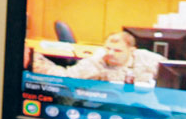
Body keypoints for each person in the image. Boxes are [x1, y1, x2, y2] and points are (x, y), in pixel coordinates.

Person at [30, 30, 164, 85]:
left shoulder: (149, 59)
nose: (110, 53)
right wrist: (34, 60)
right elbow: (66, 77)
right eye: (108, 48)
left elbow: (174, 72)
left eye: (117, 50)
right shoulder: (97, 60)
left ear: (131, 51)